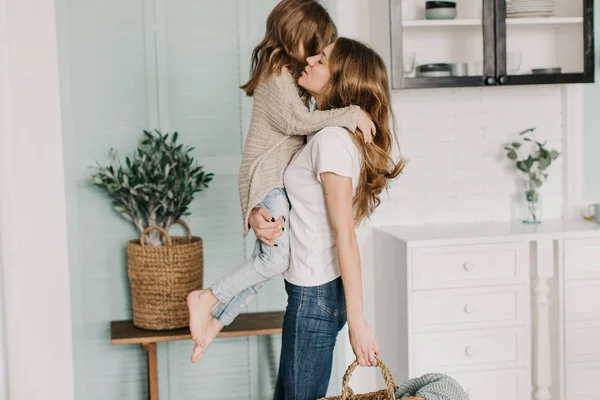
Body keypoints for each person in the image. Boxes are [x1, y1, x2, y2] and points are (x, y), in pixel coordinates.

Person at [186, 0, 376, 363]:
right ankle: (206, 299)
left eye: (322, 58)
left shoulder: (300, 96)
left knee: (269, 260)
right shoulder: (277, 79)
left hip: (276, 187)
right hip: (265, 176)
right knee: (273, 261)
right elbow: (296, 125)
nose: (314, 59)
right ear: (297, 40)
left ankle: (217, 319)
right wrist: (350, 112)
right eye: (316, 51)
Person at [248, 37, 406, 399]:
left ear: (341, 81)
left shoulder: (330, 141)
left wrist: (358, 322)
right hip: (311, 291)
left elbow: (345, 235)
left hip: (314, 294)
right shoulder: (321, 134)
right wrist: (261, 213)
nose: (311, 60)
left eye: (323, 60)